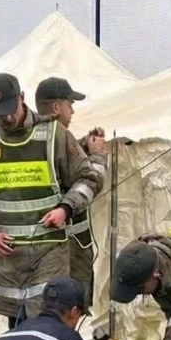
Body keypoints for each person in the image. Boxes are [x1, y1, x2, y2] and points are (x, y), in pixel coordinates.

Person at [0, 73, 102, 329]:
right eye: (0, 113)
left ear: (22, 99)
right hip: (8, 260)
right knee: (17, 326)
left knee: (48, 323)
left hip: (49, 253)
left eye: (10, 110)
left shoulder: (54, 134)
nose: (7, 118)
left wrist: (65, 209)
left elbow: (88, 179)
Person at [34, 77, 108, 308]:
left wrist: (82, 146)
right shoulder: (58, 137)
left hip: (41, 247)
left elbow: (58, 164)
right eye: (69, 104)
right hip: (69, 247)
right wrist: (96, 155)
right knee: (68, 305)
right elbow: (89, 183)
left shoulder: (32, 139)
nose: (73, 110)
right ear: (57, 107)